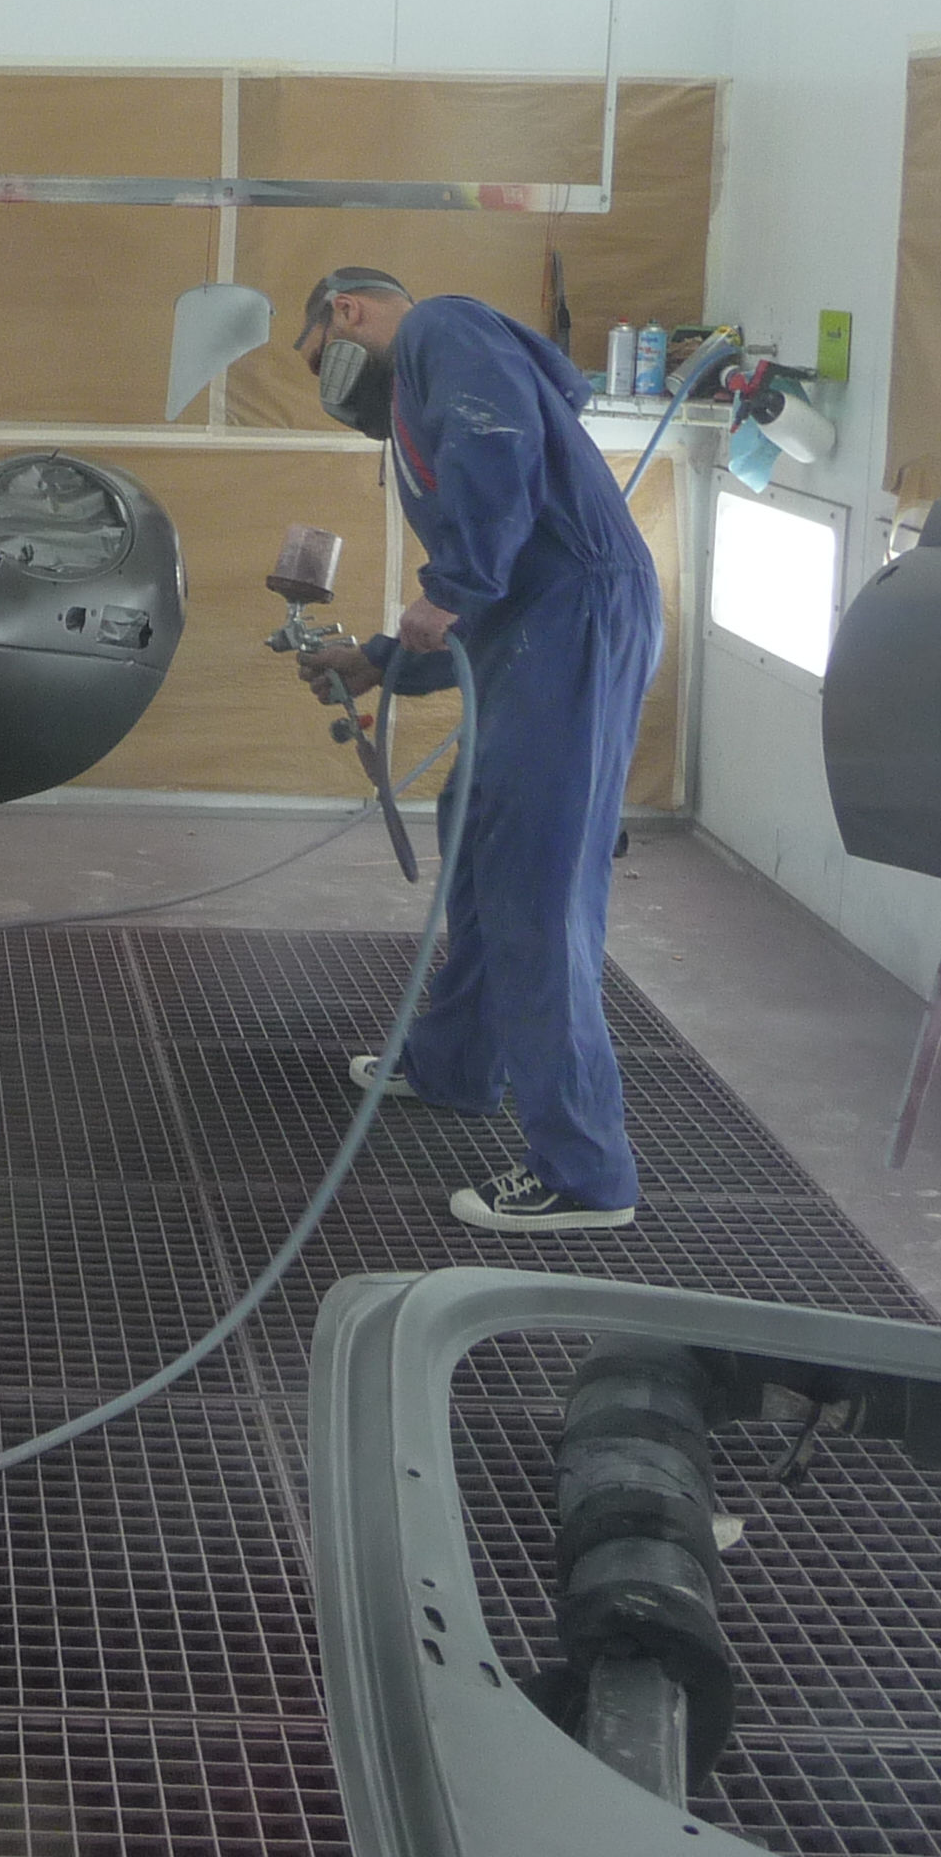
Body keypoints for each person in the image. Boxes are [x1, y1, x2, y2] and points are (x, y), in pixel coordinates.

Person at [288, 266, 662, 1234]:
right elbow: (479, 607)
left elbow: (497, 454)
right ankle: (458, 1063)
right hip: (539, 623)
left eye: (318, 357)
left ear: (347, 311)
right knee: (478, 835)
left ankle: (586, 1172)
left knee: (537, 880)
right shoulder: (427, 392)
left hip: (574, 618)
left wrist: (450, 583)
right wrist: (377, 660)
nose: (326, 385)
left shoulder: (440, 331)